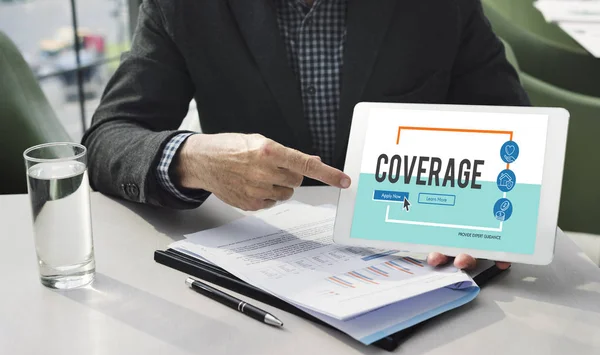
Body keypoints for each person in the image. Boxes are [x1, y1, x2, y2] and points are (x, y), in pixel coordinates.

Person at [83, 0, 526, 271]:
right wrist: (191, 157)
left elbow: (512, 127)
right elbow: (108, 138)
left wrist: (485, 218)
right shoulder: (182, 5)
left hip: (418, 264)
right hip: (258, 271)